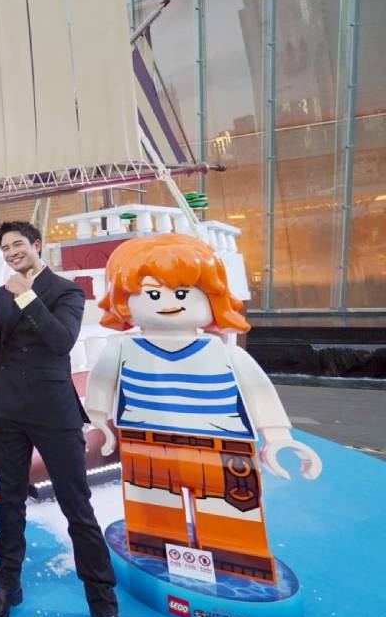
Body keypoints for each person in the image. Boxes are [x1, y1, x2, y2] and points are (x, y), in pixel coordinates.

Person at [86, 233, 321, 582]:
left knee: (233, 523)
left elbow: (259, 392)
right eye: (153, 294)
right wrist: (100, 421)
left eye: (183, 293)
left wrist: (277, 436)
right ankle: (158, 552)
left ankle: (237, 566)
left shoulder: (224, 352)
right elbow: (101, 385)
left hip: (223, 447)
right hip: (145, 442)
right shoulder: (121, 349)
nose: (168, 302)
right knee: (154, 521)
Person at [0, 222, 128, 617]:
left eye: (18, 244)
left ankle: (103, 603)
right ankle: (6, 585)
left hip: (54, 413)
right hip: (8, 412)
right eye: (5, 247)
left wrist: (25, 295)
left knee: (77, 506)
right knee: (10, 502)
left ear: (36, 245)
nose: (12, 252)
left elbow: (61, 340)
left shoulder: (67, 291)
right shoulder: (2, 293)